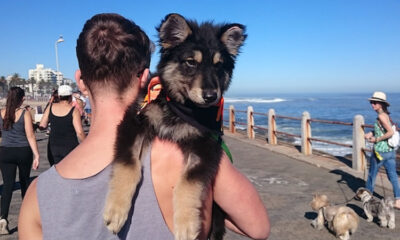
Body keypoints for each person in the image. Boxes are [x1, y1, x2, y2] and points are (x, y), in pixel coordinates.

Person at [19, 13, 269, 239]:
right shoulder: (184, 156)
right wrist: (208, 198)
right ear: (145, 77)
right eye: (191, 64)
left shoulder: (36, 196)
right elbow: (258, 228)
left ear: (80, 82)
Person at [0, 87, 39, 234]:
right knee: (24, 183)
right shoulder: (25, 113)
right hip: (23, 151)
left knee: (8, 186)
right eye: (23, 97)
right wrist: (36, 154)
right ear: (21, 98)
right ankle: (27, 220)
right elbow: (30, 135)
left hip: (5, 152)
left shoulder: (1, 112)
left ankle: (3, 219)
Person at [364, 91, 400, 209]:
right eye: (371, 102)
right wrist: (372, 133)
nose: (372, 105)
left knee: (372, 175)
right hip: (390, 152)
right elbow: (384, 130)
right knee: (393, 176)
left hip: (380, 152)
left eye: (374, 102)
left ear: (380, 104)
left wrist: (376, 139)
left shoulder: (380, 116)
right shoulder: (385, 115)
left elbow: (390, 132)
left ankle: (368, 198)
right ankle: (398, 201)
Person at [39, 85, 86, 166]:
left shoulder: (50, 107)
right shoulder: (74, 110)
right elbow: (80, 132)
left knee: (55, 172)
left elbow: (42, 125)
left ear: (59, 96)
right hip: (70, 147)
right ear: (70, 96)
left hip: (53, 147)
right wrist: (86, 144)